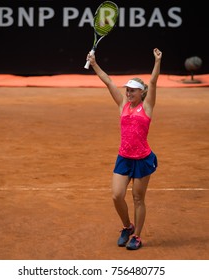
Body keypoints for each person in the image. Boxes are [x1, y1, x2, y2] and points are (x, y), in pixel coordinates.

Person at [86, 48, 162, 250]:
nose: (128, 93)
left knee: (138, 198)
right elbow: (109, 82)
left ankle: (136, 236)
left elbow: (153, 82)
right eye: (127, 90)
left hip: (143, 159)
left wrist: (157, 61)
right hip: (124, 157)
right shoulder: (122, 104)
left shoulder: (147, 107)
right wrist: (94, 64)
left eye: (132, 90)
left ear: (141, 92)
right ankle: (127, 226)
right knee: (117, 195)